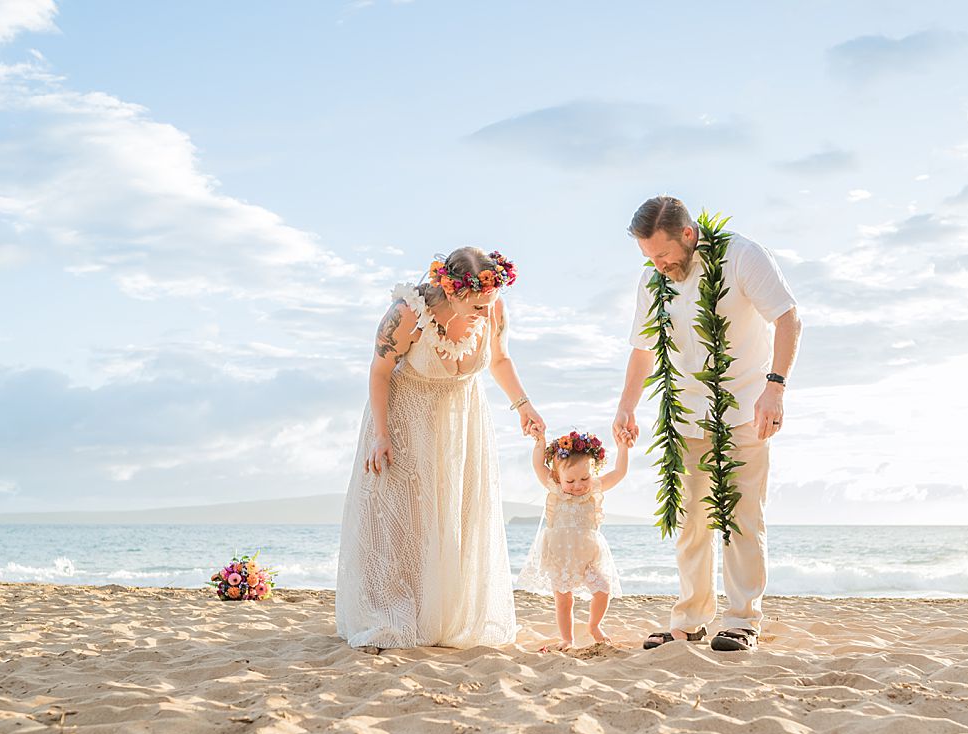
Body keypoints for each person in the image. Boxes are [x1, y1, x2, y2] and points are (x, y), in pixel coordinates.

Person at [613, 196, 802, 652]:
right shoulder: (651, 279)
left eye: (662, 254)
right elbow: (642, 348)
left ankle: (742, 620)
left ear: (689, 235)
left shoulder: (742, 256)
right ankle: (691, 619)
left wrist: (775, 387)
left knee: (741, 517)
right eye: (648, 257)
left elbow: (788, 317)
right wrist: (626, 406)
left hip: (744, 407)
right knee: (691, 521)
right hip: (686, 412)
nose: (657, 265)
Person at [336, 247, 545, 650]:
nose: (486, 313)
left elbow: (500, 360)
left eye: (490, 304)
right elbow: (379, 371)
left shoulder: (493, 310)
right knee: (400, 515)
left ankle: (444, 615)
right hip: (403, 417)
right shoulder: (408, 314)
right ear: (452, 291)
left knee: (455, 514)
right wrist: (381, 434)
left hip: (462, 422)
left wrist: (524, 405)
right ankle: (391, 614)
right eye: (478, 305)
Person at [516, 429, 630, 651]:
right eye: (570, 480)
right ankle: (567, 638)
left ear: (592, 472)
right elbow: (539, 467)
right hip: (561, 558)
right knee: (563, 601)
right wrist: (540, 442)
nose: (578, 485)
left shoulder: (593, 490)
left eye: (584, 478)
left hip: (588, 558)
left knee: (603, 590)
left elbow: (619, 472)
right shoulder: (556, 490)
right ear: (558, 477)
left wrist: (623, 447)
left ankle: (594, 626)